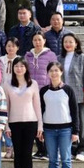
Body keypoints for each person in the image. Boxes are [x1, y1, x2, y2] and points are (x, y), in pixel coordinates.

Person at [4, 57, 43, 168]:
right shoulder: (7, 84)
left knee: (27, 155)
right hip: (14, 123)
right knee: (18, 155)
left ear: (26, 68)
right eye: (16, 66)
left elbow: (37, 106)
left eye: (22, 66)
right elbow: (6, 107)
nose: (19, 69)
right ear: (13, 68)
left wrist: (40, 125)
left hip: (30, 122)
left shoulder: (33, 84)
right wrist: (6, 126)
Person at [41, 61, 79, 168]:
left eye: (56, 70)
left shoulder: (68, 90)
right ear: (48, 73)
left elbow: (74, 111)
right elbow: (41, 111)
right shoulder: (43, 91)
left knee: (66, 159)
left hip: (65, 129)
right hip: (49, 130)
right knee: (52, 160)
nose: (54, 73)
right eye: (51, 70)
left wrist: (76, 131)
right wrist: (40, 129)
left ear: (61, 72)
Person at [59, 32, 84, 161]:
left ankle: (83, 149)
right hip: (64, 95)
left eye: (71, 42)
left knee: (81, 123)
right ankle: (72, 148)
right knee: (69, 122)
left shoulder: (82, 57)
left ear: (76, 43)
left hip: (78, 94)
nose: (68, 44)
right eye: (65, 42)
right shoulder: (59, 58)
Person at [25, 32, 57, 160]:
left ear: (44, 40)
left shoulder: (51, 55)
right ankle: (40, 149)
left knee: (46, 120)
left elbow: (55, 72)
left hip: (46, 91)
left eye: (39, 40)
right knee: (35, 121)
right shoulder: (27, 55)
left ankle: (49, 149)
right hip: (31, 93)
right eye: (35, 40)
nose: (37, 42)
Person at [0, 37, 20, 158]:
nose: (11, 48)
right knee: (5, 120)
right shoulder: (0, 60)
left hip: (17, 93)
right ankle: (8, 147)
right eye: (8, 46)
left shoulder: (20, 60)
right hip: (3, 93)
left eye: (13, 46)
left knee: (15, 120)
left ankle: (16, 146)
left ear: (17, 47)